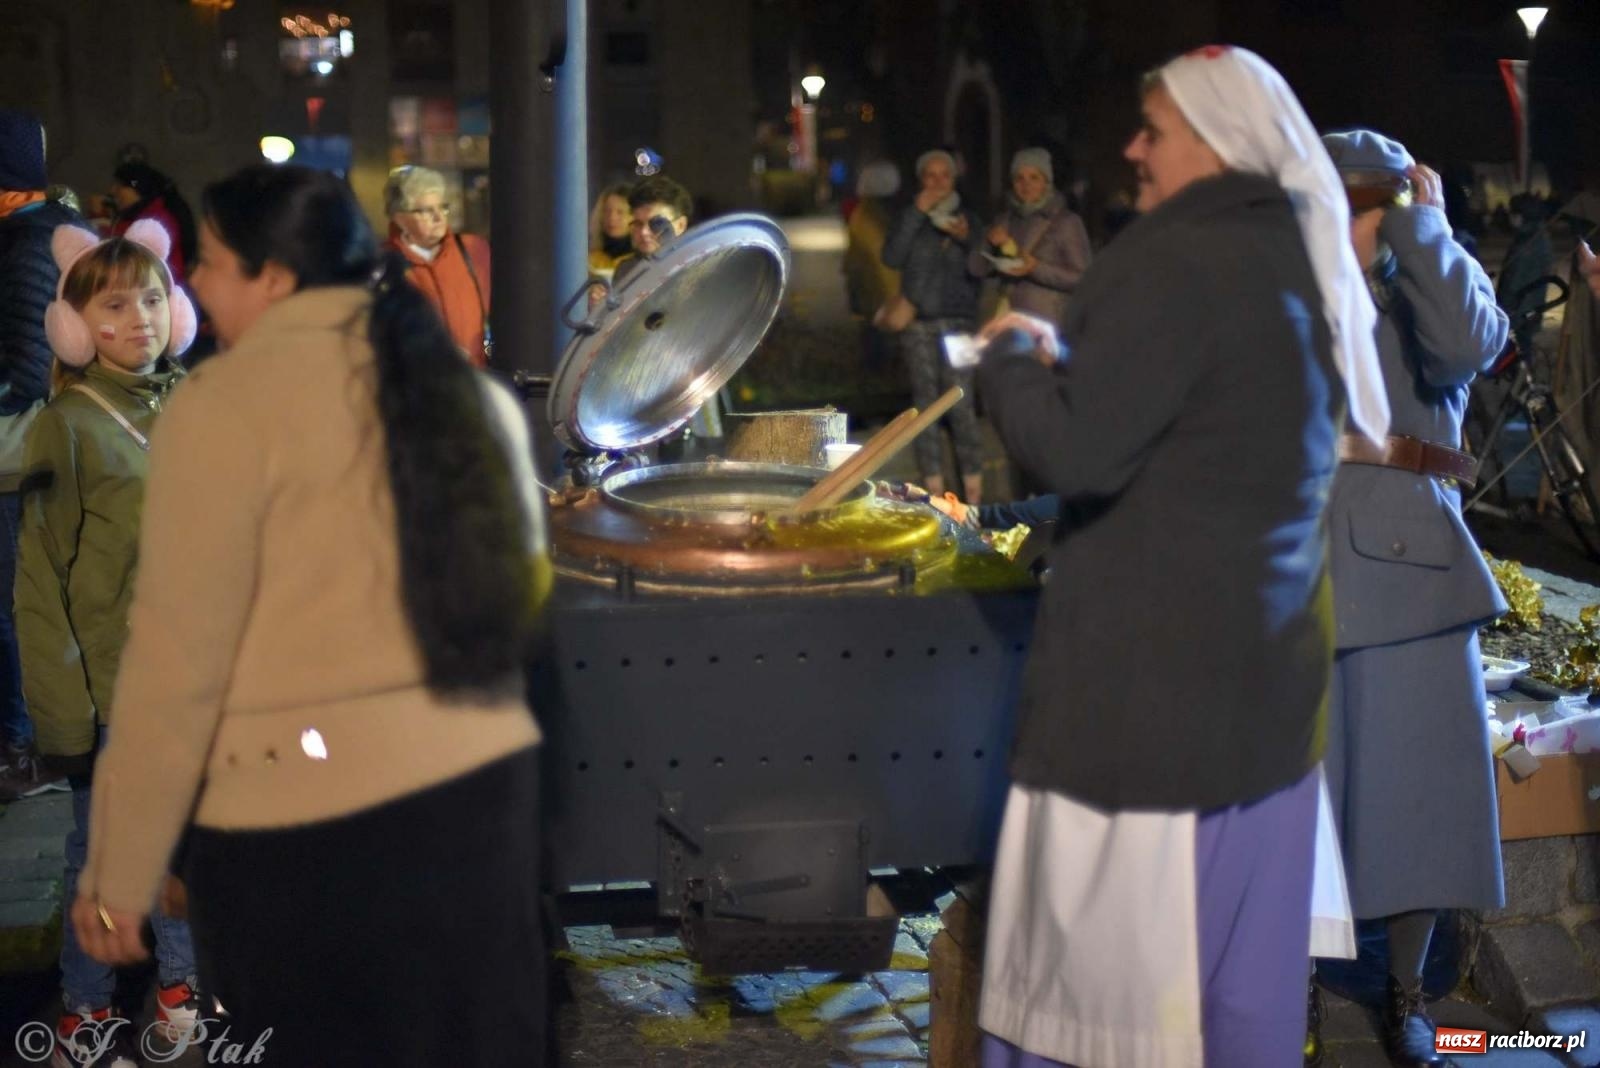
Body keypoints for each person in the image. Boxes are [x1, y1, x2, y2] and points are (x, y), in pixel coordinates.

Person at [69, 164, 550, 1067]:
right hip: (478, 809)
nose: (193, 285)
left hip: (308, 820)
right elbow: (522, 617)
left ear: (276, 279)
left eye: (210, 261)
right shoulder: (470, 396)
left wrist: (120, 872)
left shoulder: (221, 408)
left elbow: (178, 660)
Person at [973, 46, 1390, 1068]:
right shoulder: (1295, 255)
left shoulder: (1169, 258)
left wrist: (1007, 363)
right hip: (1269, 715)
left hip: (1146, 728)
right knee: (1240, 1011)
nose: (1131, 149)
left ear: (1208, 140)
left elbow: (1082, 448)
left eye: (1151, 130)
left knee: (1102, 1020)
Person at [1311, 130, 1508, 1068]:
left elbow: (1470, 344)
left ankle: (1405, 991)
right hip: (1296, 568)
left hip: (1411, 570)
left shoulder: (1433, 277)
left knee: (1414, 802)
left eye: (1369, 205)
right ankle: (1286, 987)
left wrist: (1425, 230)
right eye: (1341, 203)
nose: (1355, 224)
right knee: (1298, 807)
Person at [19, 221, 200, 1065]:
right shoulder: (67, 425)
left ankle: (179, 985)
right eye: (116, 304)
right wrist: (65, 718)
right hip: (112, 692)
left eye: (155, 298)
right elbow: (41, 584)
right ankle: (86, 1014)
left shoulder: (191, 401)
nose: (141, 319)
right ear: (74, 327)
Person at [0, 109, 77, 802]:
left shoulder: (26, 247)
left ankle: (27, 749)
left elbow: (25, 369)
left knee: (12, 606)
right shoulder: (41, 236)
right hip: (34, 456)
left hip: (17, 459)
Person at [881, 149, 986, 504]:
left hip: (961, 325)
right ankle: (935, 495)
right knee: (924, 409)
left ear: (955, 180)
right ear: (921, 180)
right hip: (920, 324)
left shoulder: (969, 219)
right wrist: (916, 213)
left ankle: (973, 495)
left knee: (963, 407)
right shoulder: (911, 217)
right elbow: (891, 256)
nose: (938, 182)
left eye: (945, 175)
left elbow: (984, 268)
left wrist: (967, 239)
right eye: (931, 175)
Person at [968, 147, 1092, 330]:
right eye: (1020, 178)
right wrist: (988, 241)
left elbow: (1084, 279)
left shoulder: (1067, 222)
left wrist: (1035, 268)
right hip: (1004, 320)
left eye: (1034, 177)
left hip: (1045, 325)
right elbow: (975, 268)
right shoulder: (1004, 220)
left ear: (1046, 182)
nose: (1026, 185)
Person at [385, 164, 493, 368]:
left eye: (443, 207)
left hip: (476, 381)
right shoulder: (385, 265)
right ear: (400, 218)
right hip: (420, 386)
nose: (438, 217)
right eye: (426, 211)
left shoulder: (473, 249)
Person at [107, 162, 197, 286]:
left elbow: (121, 254)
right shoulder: (145, 213)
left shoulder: (156, 219)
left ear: (137, 188)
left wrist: (99, 218)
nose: (112, 191)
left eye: (119, 186)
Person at [588, 181, 635, 278]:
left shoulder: (641, 259)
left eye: (620, 212)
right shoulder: (588, 260)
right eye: (606, 211)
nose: (612, 218)